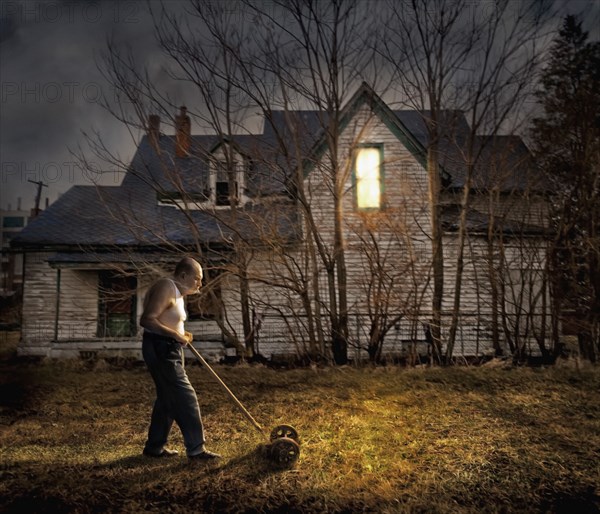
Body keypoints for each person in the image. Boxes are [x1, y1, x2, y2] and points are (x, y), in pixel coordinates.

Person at [140, 256, 221, 460]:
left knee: (167, 399)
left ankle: (154, 447)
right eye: (197, 279)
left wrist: (181, 333)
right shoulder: (166, 287)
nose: (200, 284)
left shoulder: (178, 292)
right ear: (183, 275)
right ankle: (196, 449)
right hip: (160, 348)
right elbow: (147, 320)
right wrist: (176, 335)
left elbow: (167, 320)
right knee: (185, 397)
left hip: (172, 348)